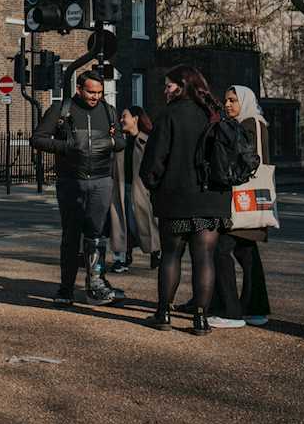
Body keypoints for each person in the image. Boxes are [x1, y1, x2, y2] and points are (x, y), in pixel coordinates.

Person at [140, 65, 232, 335]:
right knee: (204, 257)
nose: (165, 91)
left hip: (177, 197)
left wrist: (154, 185)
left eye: (168, 86)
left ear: (181, 86)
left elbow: (153, 161)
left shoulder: (170, 115)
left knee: (171, 255)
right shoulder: (213, 114)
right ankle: (201, 319)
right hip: (212, 197)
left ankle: (164, 313)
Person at [31, 70, 127, 306]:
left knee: (96, 235)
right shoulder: (61, 110)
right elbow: (37, 139)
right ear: (79, 89)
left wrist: (111, 142)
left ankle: (96, 285)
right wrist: (66, 147)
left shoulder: (108, 111)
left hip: (101, 180)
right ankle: (65, 289)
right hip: (71, 181)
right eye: (91, 92)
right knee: (71, 235)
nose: (95, 97)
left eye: (99, 93)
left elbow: (122, 141)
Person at [209, 85, 273, 329]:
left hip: (242, 199)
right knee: (248, 254)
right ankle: (255, 309)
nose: (227, 105)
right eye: (226, 100)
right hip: (253, 200)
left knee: (221, 250)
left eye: (233, 100)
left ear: (244, 101)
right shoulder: (257, 123)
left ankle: (230, 311)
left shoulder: (246, 125)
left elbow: (242, 164)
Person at [110, 105, 160, 273]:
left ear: (135, 119)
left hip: (142, 190)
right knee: (120, 223)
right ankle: (122, 257)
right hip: (122, 187)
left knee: (145, 222)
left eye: (125, 116)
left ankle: (156, 252)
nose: (121, 120)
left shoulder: (147, 140)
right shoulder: (120, 142)